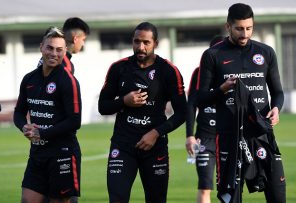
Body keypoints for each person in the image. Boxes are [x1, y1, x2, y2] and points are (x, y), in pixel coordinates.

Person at [198, 3, 286, 203]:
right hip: (229, 137)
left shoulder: (266, 53)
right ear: (228, 26)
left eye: (249, 28)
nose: (244, 34)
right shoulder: (213, 55)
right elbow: (200, 99)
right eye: (239, 28)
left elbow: (278, 92)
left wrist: (276, 108)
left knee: (278, 196)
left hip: (262, 134)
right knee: (232, 199)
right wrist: (221, 89)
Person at [98, 22, 186, 203]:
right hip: (123, 145)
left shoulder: (168, 71)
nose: (141, 47)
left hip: (155, 147)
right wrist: (124, 101)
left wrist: (155, 133)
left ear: (156, 43)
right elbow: (103, 106)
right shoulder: (119, 68)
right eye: (137, 41)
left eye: (146, 42)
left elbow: (182, 113)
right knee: (117, 199)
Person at [14, 26, 82, 203]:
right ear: (41, 48)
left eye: (59, 50)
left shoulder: (68, 81)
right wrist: (24, 126)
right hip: (38, 153)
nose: (54, 53)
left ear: (65, 51)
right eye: (50, 48)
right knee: (27, 200)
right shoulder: (29, 79)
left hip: (63, 153)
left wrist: (41, 133)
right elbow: (19, 112)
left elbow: (75, 121)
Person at [185, 35, 224, 203]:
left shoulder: (236, 71)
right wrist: (189, 135)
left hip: (229, 137)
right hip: (204, 138)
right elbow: (191, 104)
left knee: (231, 187)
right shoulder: (199, 73)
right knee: (204, 186)